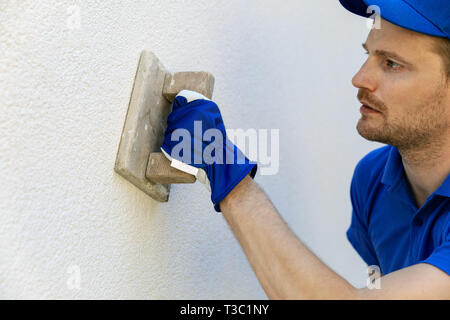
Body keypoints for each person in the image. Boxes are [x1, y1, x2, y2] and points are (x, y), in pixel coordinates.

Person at [161, 0, 450, 299]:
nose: (359, 79)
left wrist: (226, 171)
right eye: (368, 55)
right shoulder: (374, 180)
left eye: (391, 64)